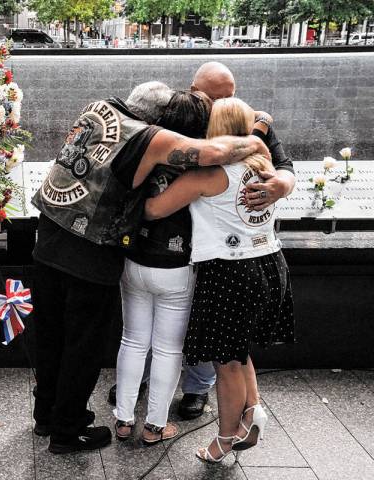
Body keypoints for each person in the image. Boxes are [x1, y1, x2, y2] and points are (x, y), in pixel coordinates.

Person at [31, 80, 270, 454]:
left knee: (50, 337)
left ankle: (45, 416)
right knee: (83, 345)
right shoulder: (152, 138)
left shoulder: (100, 107)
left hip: (47, 237)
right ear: (157, 120)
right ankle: (68, 430)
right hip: (89, 255)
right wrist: (256, 141)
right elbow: (210, 153)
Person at [106, 62, 295, 419]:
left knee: (201, 328)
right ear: (194, 90)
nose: (221, 103)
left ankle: (196, 389)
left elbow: (285, 166)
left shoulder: (247, 120)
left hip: (215, 251)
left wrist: (279, 186)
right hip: (176, 247)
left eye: (229, 95)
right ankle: (142, 385)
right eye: (214, 97)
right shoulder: (179, 115)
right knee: (166, 332)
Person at [144, 97, 295, 463]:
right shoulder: (264, 165)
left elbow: (154, 209)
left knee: (225, 363)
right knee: (239, 349)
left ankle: (224, 441)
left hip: (230, 272)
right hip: (270, 263)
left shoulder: (208, 175)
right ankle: (252, 412)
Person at [113, 91, 212, 444]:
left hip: (135, 259)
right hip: (176, 267)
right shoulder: (203, 166)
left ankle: (123, 420)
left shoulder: (147, 148)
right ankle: (155, 426)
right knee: (169, 348)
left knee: (132, 340)